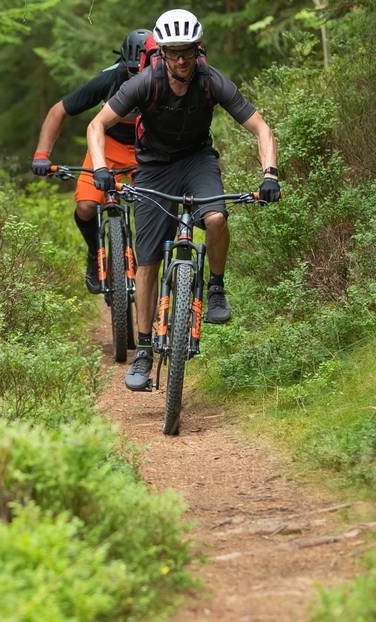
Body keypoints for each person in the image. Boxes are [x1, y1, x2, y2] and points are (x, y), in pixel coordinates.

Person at [85, 8, 281, 391]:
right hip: (153, 167)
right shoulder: (145, 82)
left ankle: (216, 289)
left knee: (216, 219)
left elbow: (260, 127)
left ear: (197, 50)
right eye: (174, 52)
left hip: (197, 161)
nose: (181, 60)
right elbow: (97, 125)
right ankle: (144, 351)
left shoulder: (210, 81)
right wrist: (101, 167)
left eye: (187, 51)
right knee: (147, 261)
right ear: (161, 53)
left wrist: (270, 174)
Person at [32, 29, 151, 293]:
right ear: (123, 63)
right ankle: (95, 251)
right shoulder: (108, 79)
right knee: (86, 206)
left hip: (148, 150)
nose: (137, 76)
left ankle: (146, 266)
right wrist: (42, 154)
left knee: (151, 209)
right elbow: (58, 111)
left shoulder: (167, 79)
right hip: (107, 146)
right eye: (131, 71)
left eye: (143, 70)